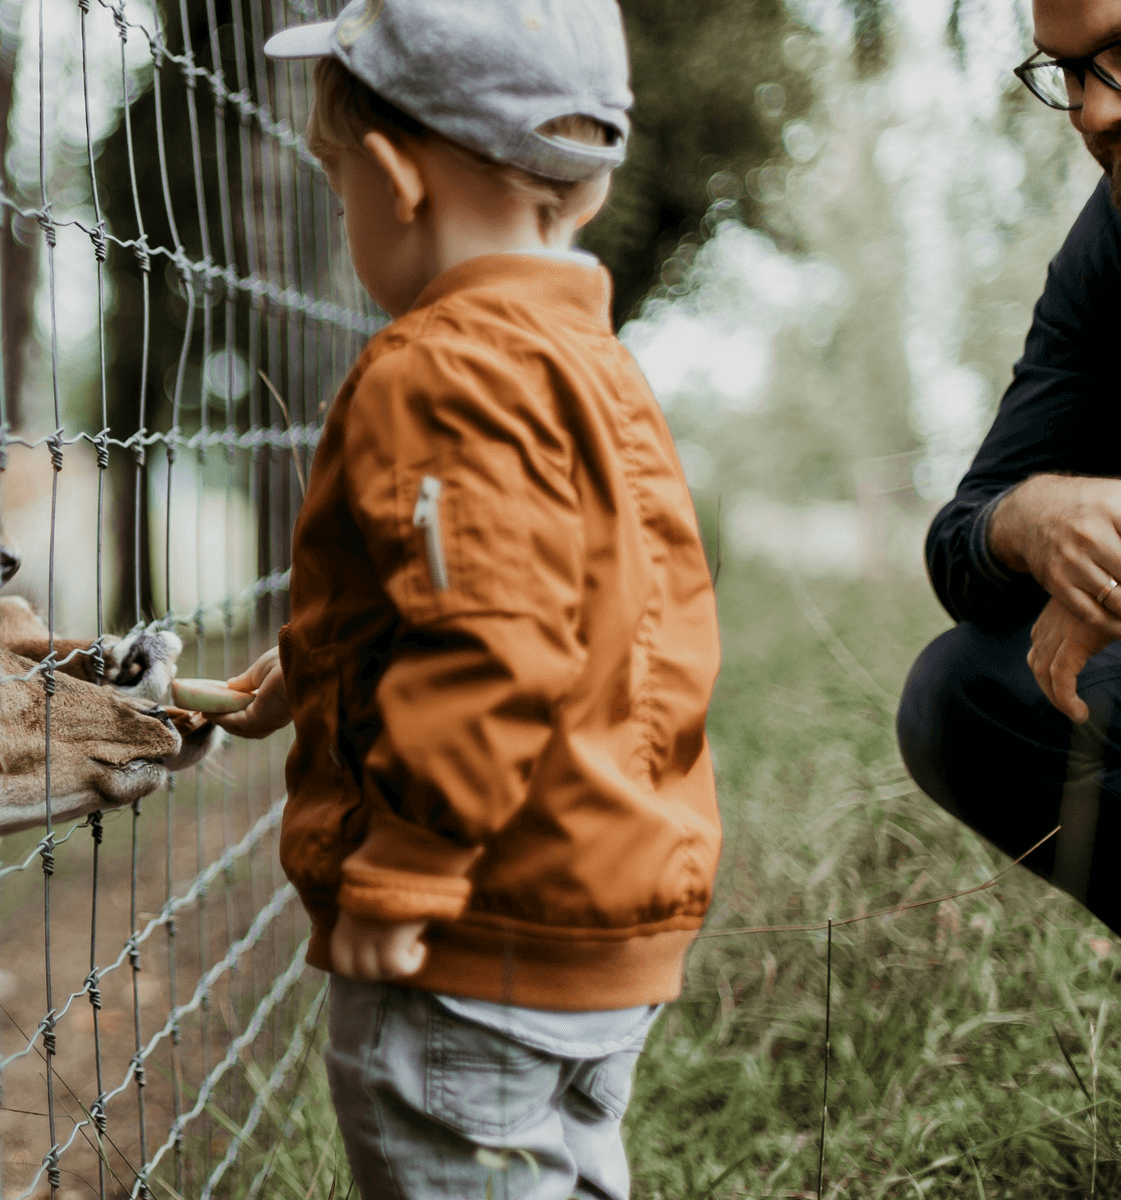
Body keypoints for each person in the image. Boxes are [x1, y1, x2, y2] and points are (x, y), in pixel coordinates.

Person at [208, 2, 723, 1196]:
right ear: (584, 192)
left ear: (392, 181)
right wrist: (308, 672)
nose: (348, 222)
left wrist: (409, 866)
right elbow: (568, 599)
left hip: (469, 940)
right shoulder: (599, 368)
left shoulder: (437, 370)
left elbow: (494, 641)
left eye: (337, 191)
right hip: (603, 923)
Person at [897, 0, 1121, 924]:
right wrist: (1026, 521)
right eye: (1066, 74)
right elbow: (963, 538)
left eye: (1118, 56)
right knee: (966, 692)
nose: (1094, 113)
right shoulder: (1107, 242)